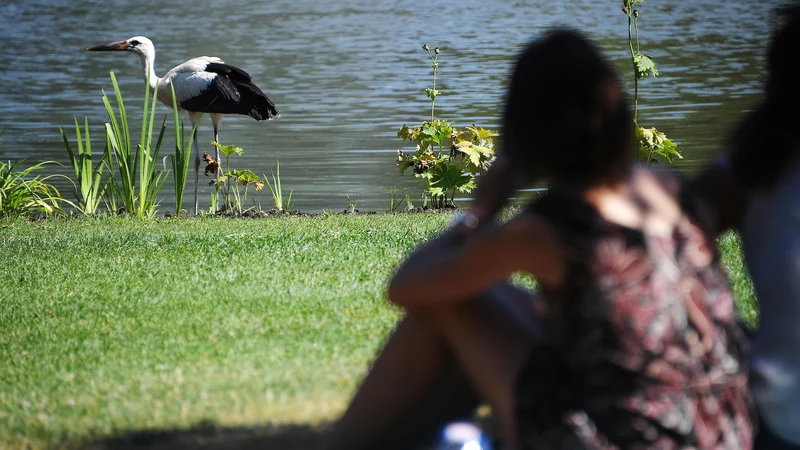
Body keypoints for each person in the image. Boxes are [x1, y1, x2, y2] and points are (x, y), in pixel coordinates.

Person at [326, 28, 753, 450]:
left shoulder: (555, 228)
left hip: (630, 438)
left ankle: (344, 445)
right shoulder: (670, 190)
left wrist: (478, 213)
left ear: (526, 131)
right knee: (502, 295)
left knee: (452, 304)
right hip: (724, 427)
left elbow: (407, 287)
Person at [683, 4, 800, 448]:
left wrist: (712, 324)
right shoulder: (747, 177)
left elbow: (659, 249)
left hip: (775, 422)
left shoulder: (749, 174)